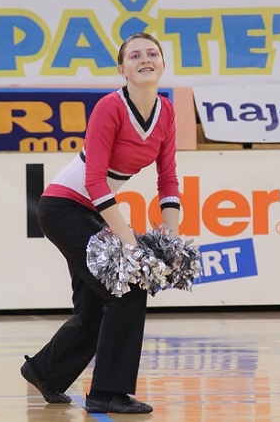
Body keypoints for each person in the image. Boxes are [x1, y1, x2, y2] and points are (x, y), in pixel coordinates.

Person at [20, 32, 180, 414]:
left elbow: (168, 179)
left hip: (90, 211)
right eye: (135, 56)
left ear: (163, 63)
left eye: (152, 53)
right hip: (63, 208)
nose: (145, 59)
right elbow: (94, 181)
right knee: (128, 288)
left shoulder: (167, 112)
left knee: (96, 307)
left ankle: (45, 371)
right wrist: (129, 243)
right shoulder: (110, 107)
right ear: (121, 69)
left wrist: (172, 237)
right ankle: (108, 393)